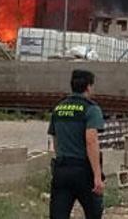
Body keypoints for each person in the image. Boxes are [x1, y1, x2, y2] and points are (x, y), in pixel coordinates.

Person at [48, 69, 106, 219]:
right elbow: (91, 141)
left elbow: (55, 140)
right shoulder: (91, 109)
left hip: (61, 169)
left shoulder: (58, 108)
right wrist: (97, 176)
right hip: (83, 171)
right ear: (88, 87)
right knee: (93, 213)